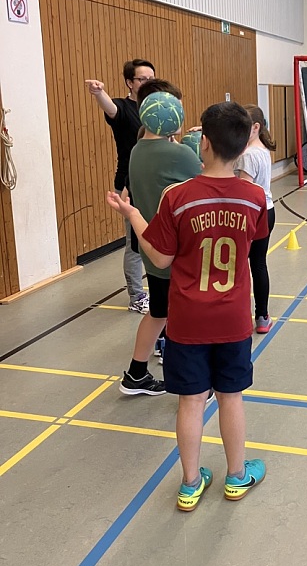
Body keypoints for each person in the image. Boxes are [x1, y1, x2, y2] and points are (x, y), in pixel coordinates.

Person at [107, 101, 268, 511]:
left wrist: (133, 215)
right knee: (231, 397)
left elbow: (160, 258)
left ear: (205, 144)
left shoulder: (177, 197)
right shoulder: (253, 198)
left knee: (191, 401)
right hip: (233, 319)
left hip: (187, 321)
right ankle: (236, 476)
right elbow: (252, 244)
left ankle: (191, 483)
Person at [119, 80, 203, 397]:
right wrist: (198, 143)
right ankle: (189, 380)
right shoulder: (177, 153)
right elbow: (210, 178)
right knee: (184, 319)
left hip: (151, 247)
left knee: (159, 313)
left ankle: (137, 374)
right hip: (176, 252)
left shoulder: (138, 149)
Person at [86, 59, 155, 314]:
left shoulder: (157, 108)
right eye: (142, 79)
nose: (148, 83)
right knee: (135, 244)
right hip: (130, 186)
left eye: (152, 78)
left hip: (155, 184)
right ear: (130, 82)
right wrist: (98, 92)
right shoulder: (124, 108)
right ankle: (137, 296)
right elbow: (110, 108)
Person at [234, 105, 276, 334]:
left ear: (256, 127)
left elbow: (245, 189)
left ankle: (245, 315)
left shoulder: (249, 155)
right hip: (267, 211)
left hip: (253, 214)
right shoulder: (259, 149)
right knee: (258, 264)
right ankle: (262, 316)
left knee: (243, 265)